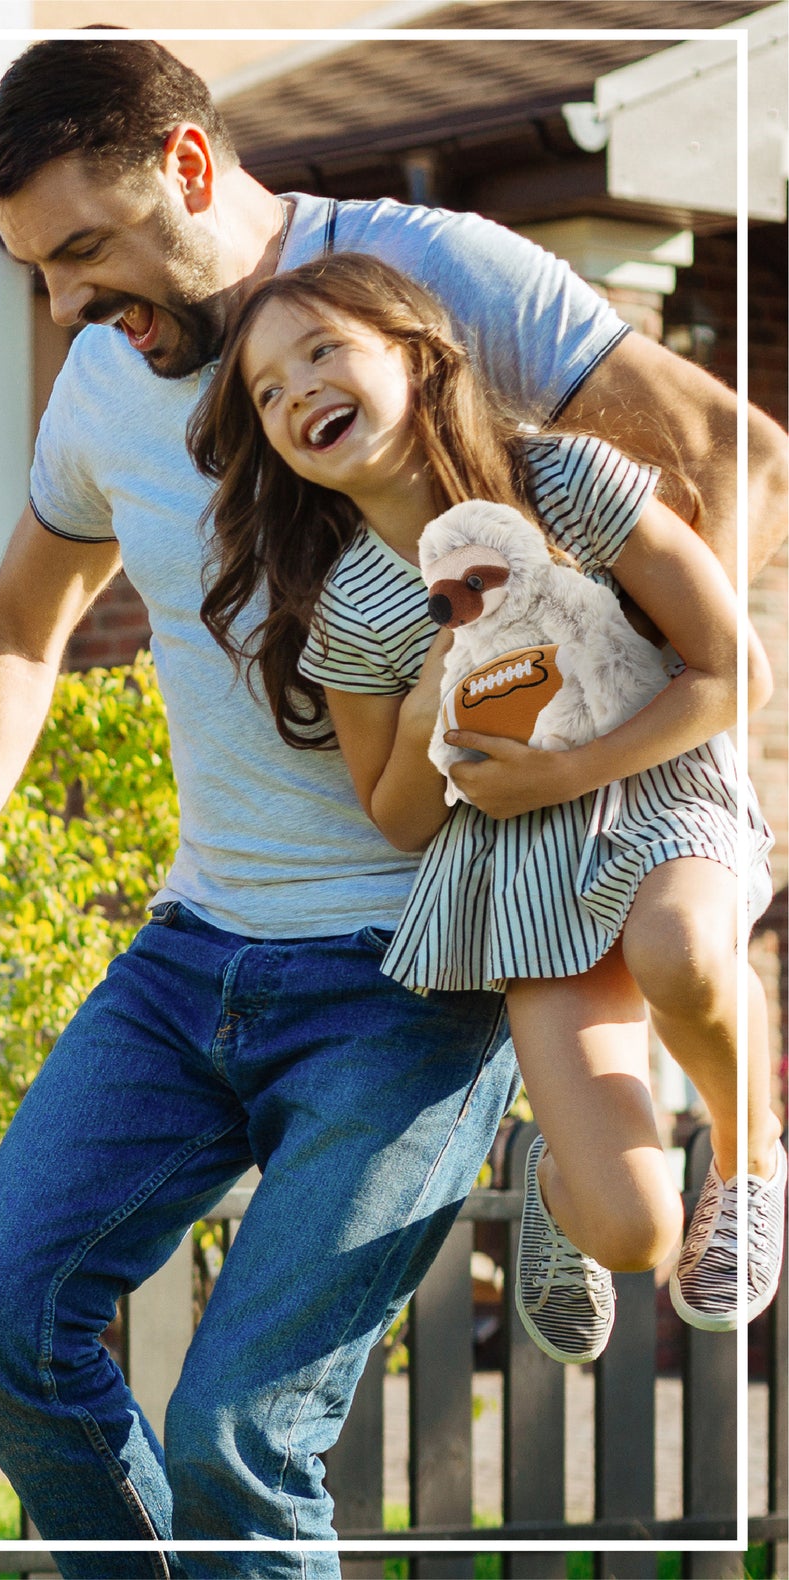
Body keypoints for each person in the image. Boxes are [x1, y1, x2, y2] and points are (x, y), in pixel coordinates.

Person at [0, 37, 788, 1578]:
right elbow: (23, 632)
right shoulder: (106, 380)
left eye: (85, 249)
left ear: (188, 166)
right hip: (195, 952)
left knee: (239, 1436)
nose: (67, 303)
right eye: (38, 270)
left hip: (413, 973)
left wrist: (599, 781)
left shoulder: (439, 275)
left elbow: (724, 453)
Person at [188, 252, 782, 1368]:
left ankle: (750, 1157)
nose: (296, 390)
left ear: (416, 355)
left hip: (660, 796)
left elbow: (730, 673)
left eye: (321, 351)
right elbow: (400, 819)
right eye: (266, 391)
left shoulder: (564, 481)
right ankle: (559, 1186)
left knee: (680, 946)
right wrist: (424, 705)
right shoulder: (352, 608)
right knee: (634, 1229)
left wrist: (568, 768)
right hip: (521, 871)